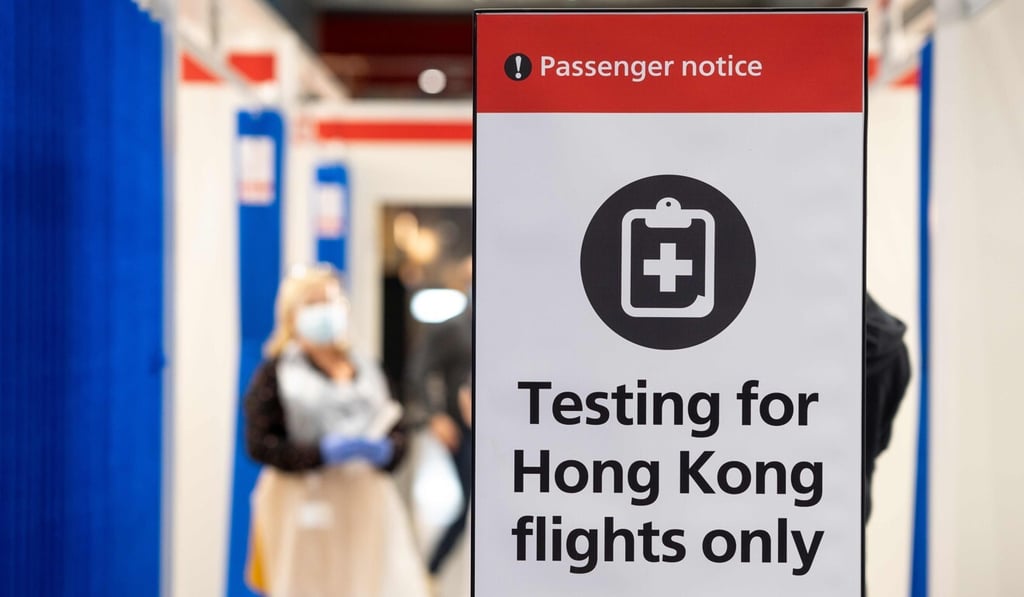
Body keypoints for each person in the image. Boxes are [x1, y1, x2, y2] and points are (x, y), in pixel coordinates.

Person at [243, 264, 430, 597]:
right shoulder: (276, 375)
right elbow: (259, 444)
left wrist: (388, 451)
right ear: (291, 315)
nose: (324, 311)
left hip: (365, 501)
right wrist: (319, 453)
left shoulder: (369, 369)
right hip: (302, 502)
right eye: (313, 303)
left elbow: (397, 427)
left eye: (329, 301)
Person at [404, 256, 473, 574]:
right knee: (470, 503)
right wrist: (436, 416)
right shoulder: (453, 329)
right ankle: (429, 571)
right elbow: (418, 373)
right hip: (464, 431)